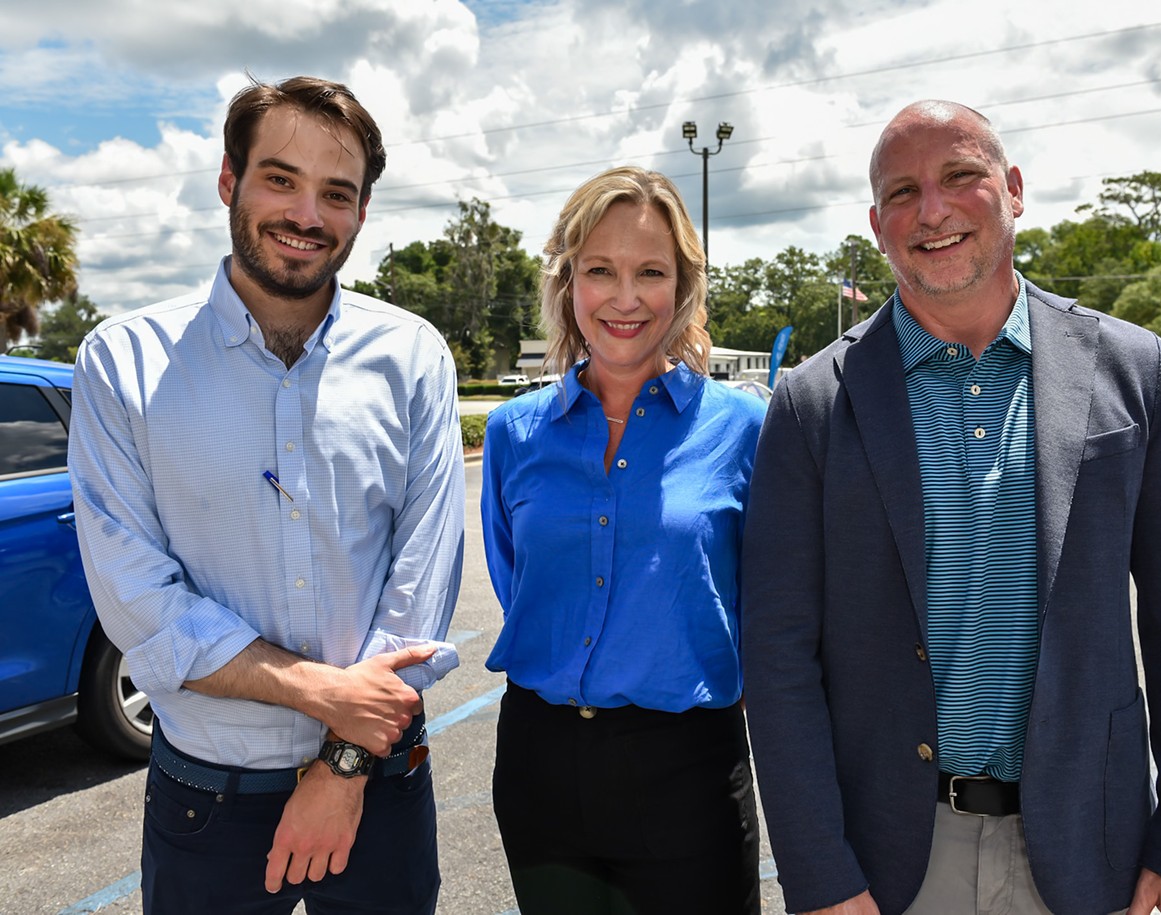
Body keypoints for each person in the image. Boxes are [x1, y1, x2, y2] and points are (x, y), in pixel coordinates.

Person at [741, 100, 1161, 915]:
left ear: (1013, 188)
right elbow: (777, 655)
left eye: (960, 176)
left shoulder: (1133, 369)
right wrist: (820, 875)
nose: (931, 210)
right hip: (890, 862)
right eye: (902, 192)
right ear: (877, 224)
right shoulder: (812, 404)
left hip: (1091, 851)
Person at [68, 76, 465, 914]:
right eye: (280, 178)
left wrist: (343, 764)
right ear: (228, 181)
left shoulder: (414, 357)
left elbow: (421, 590)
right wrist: (322, 695)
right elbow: (139, 602)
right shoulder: (122, 363)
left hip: (382, 787)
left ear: (361, 212)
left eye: (336, 193)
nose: (306, 215)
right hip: (205, 800)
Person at [481, 165, 765, 915]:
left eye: (651, 272)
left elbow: (765, 604)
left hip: (688, 772)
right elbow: (518, 582)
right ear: (568, 279)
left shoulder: (742, 428)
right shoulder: (516, 431)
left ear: (684, 286)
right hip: (541, 767)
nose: (626, 297)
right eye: (600, 270)